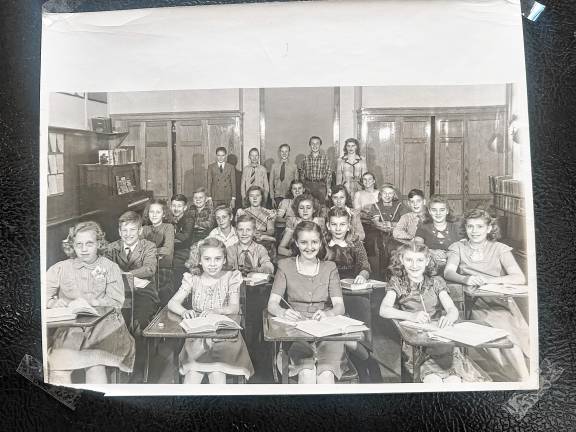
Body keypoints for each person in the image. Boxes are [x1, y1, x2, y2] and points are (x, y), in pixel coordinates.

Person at [379, 239, 489, 383]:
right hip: (417, 346)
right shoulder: (397, 282)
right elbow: (384, 310)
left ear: (427, 261)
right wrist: (411, 316)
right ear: (401, 260)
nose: (414, 265)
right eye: (409, 260)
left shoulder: (436, 281)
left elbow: (452, 309)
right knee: (433, 381)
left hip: (442, 342)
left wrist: (449, 317)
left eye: (419, 260)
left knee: (454, 381)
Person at [444, 209, 529, 381]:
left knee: (509, 338)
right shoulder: (457, 247)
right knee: (497, 348)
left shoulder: (500, 249)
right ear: (465, 228)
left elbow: (519, 278)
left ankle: (525, 380)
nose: (474, 231)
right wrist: (467, 279)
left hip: (501, 303)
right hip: (474, 304)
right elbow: (448, 272)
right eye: (470, 226)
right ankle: (517, 378)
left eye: (480, 227)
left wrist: (490, 281)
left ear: (489, 228)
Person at [46, 221, 135, 384]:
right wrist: (53, 303)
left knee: (95, 364)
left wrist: (92, 301)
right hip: (72, 328)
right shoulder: (61, 268)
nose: (83, 249)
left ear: (99, 244)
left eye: (89, 243)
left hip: (106, 327)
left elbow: (116, 301)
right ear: (72, 246)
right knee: (58, 366)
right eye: (78, 244)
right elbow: (42, 295)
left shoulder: (110, 267)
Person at [268, 221, 347, 384]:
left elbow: (340, 306)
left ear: (320, 243)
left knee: (325, 375)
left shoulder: (330, 267)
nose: (309, 247)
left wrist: (328, 313)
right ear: (296, 243)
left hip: (326, 334)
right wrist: (283, 312)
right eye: (303, 242)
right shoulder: (284, 266)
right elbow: (272, 304)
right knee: (306, 373)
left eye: (314, 242)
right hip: (296, 334)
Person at [167, 238, 254, 383]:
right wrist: (183, 312)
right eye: (207, 259)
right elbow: (172, 302)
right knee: (191, 377)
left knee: (217, 374)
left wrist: (216, 310)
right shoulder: (193, 278)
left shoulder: (231, 277)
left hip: (225, 339)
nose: (212, 264)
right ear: (199, 260)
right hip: (198, 340)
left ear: (224, 259)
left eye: (217, 259)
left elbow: (234, 307)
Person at [324, 207, 381, 382]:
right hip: (329, 296)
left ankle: (367, 363)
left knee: (358, 334)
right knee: (334, 333)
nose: (338, 228)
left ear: (349, 226)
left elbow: (365, 265)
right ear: (328, 225)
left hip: (353, 293)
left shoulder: (355, 244)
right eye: (334, 224)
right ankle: (346, 367)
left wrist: (361, 276)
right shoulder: (323, 244)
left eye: (342, 224)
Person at [105, 211, 158, 383]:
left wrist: (125, 274)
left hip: (144, 294)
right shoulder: (111, 248)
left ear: (140, 231)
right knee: (114, 322)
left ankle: (138, 369)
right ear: (119, 232)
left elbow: (150, 269)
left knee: (137, 324)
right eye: (124, 230)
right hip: (119, 295)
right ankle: (116, 364)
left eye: (132, 230)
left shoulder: (148, 246)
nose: (128, 234)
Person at [365, 183, 410, 278]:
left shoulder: (400, 206)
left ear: (394, 195)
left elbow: (405, 222)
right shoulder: (376, 206)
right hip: (379, 232)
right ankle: (381, 274)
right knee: (380, 243)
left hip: (396, 233)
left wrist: (392, 225)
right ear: (380, 194)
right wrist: (388, 225)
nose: (387, 196)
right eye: (385, 193)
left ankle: (397, 274)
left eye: (390, 193)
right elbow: (377, 223)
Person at [186, 205, 239, 276]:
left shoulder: (238, 233)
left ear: (231, 217)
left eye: (224, 217)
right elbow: (198, 247)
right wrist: (193, 264)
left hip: (236, 269)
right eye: (218, 218)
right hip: (218, 270)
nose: (221, 220)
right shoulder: (214, 233)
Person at [415, 195, 464, 270]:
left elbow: (464, 248)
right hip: (429, 269)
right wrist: (431, 252)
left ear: (447, 211)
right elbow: (417, 245)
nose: (438, 213)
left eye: (442, 210)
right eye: (434, 210)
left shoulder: (456, 228)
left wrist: (448, 254)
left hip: (453, 268)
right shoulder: (423, 228)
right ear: (430, 211)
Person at [141, 198, 175, 304]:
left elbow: (167, 249)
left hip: (163, 268)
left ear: (164, 214)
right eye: (151, 212)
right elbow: (139, 249)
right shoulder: (144, 229)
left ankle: (153, 310)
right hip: (147, 267)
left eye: (158, 212)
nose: (154, 215)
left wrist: (148, 253)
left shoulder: (168, 227)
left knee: (148, 286)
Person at [236, 185, 277, 262]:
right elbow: (237, 230)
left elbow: (271, 231)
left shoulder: (268, 213)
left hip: (262, 241)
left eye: (257, 195)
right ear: (248, 198)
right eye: (251, 196)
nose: (255, 198)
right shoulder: (242, 212)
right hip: (246, 239)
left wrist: (260, 232)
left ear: (262, 197)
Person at [277, 192, 325, 257]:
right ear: (297, 210)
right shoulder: (293, 223)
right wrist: (294, 255)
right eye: (301, 208)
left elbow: (324, 247)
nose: (305, 211)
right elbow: (280, 249)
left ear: (314, 209)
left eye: (308, 208)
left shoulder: (319, 222)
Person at [299, 136, 332, 205]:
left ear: (320, 145)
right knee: (308, 205)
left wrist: (327, 192)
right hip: (308, 186)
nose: (315, 145)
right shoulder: (305, 159)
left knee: (321, 207)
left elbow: (328, 177)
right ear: (310, 145)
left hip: (321, 186)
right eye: (312, 143)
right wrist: (304, 188)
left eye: (317, 143)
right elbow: (302, 176)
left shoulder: (325, 159)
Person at [170, 194, 195, 282]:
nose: (176, 208)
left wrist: (173, 232)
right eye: (173, 205)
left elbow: (185, 238)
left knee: (175, 266)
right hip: (173, 248)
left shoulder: (189, 219)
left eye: (179, 206)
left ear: (185, 208)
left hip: (184, 250)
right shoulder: (170, 218)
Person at [270, 143, 298, 208]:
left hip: (290, 196)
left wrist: (295, 198)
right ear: (279, 153)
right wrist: (272, 198)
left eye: (286, 151)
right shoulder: (274, 166)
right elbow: (271, 183)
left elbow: (296, 183)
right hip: (277, 196)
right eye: (282, 151)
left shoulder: (294, 166)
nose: (284, 153)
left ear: (289, 153)